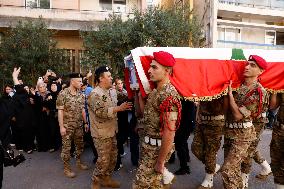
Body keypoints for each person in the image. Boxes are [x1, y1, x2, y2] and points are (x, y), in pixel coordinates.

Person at [132, 51, 181, 189]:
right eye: (150, 67)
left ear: (167, 71)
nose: (149, 70)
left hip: (157, 149)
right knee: (153, 185)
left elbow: (169, 132)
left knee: (139, 185)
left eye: (154, 67)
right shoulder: (155, 92)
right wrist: (137, 95)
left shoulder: (168, 95)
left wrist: (160, 162)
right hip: (148, 146)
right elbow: (142, 113)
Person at [220, 55, 269, 189]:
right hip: (230, 133)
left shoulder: (258, 91)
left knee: (227, 170)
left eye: (253, 65)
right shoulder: (237, 86)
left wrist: (230, 96)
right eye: (247, 64)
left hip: (243, 136)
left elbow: (237, 115)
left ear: (261, 71)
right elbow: (225, 110)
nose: (247, 67)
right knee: (233, 171)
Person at [88, 66, 132, 189]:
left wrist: (134, 89)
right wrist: (119, 108)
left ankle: (106, 178)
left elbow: (123, 96)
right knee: (103, 160)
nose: (111, 78)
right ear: (101, 78)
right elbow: (100, 112)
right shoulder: (94, 94)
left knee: (113, 158)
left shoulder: (112, 91)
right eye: (109, 76)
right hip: (101, 133)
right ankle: (96, 181)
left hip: (112, 130)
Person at [56, 73, 89, 178]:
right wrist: (61, 127)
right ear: (72, 81)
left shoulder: (81, 94)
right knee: (66, 148)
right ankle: (66, 168)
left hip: (79, 125)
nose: (81, 83)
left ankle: (79, 162)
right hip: (67, 127)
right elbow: (60, 111)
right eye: (79, 81)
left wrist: (86, 122)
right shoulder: (63, 94)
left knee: (80, 145)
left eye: (81, 81)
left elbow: (83, 109)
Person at [191, 98, 226, 188]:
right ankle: (213, 166)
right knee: (195, 148)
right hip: (202, 121)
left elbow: (223, 108)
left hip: (216, 122)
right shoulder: (204, 85)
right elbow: (200, 101)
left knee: (210, 151)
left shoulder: (221, 88)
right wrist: (197, 115)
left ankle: (209, 180)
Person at [174, 100, 195, 175]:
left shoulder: (186, 99)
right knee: (183, 142)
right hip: (187, 123)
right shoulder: (188, 97)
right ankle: (187, 157)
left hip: (184, 124)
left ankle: (184, 167)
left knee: (179, 145)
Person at [115, 78, 129, 170]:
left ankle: (121, 151)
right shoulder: (114, 94)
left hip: (124, 118)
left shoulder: (125, 92)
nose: (120, 85)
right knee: (118, 139)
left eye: (121, 83)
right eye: (118, 84)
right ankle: (118, 161)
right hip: (117, 119)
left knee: (123, 137)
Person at [270, 93, 284, 189]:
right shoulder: (282, 84)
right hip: (279, 130)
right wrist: (274, 91)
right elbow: (272, 106)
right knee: (276, 162)